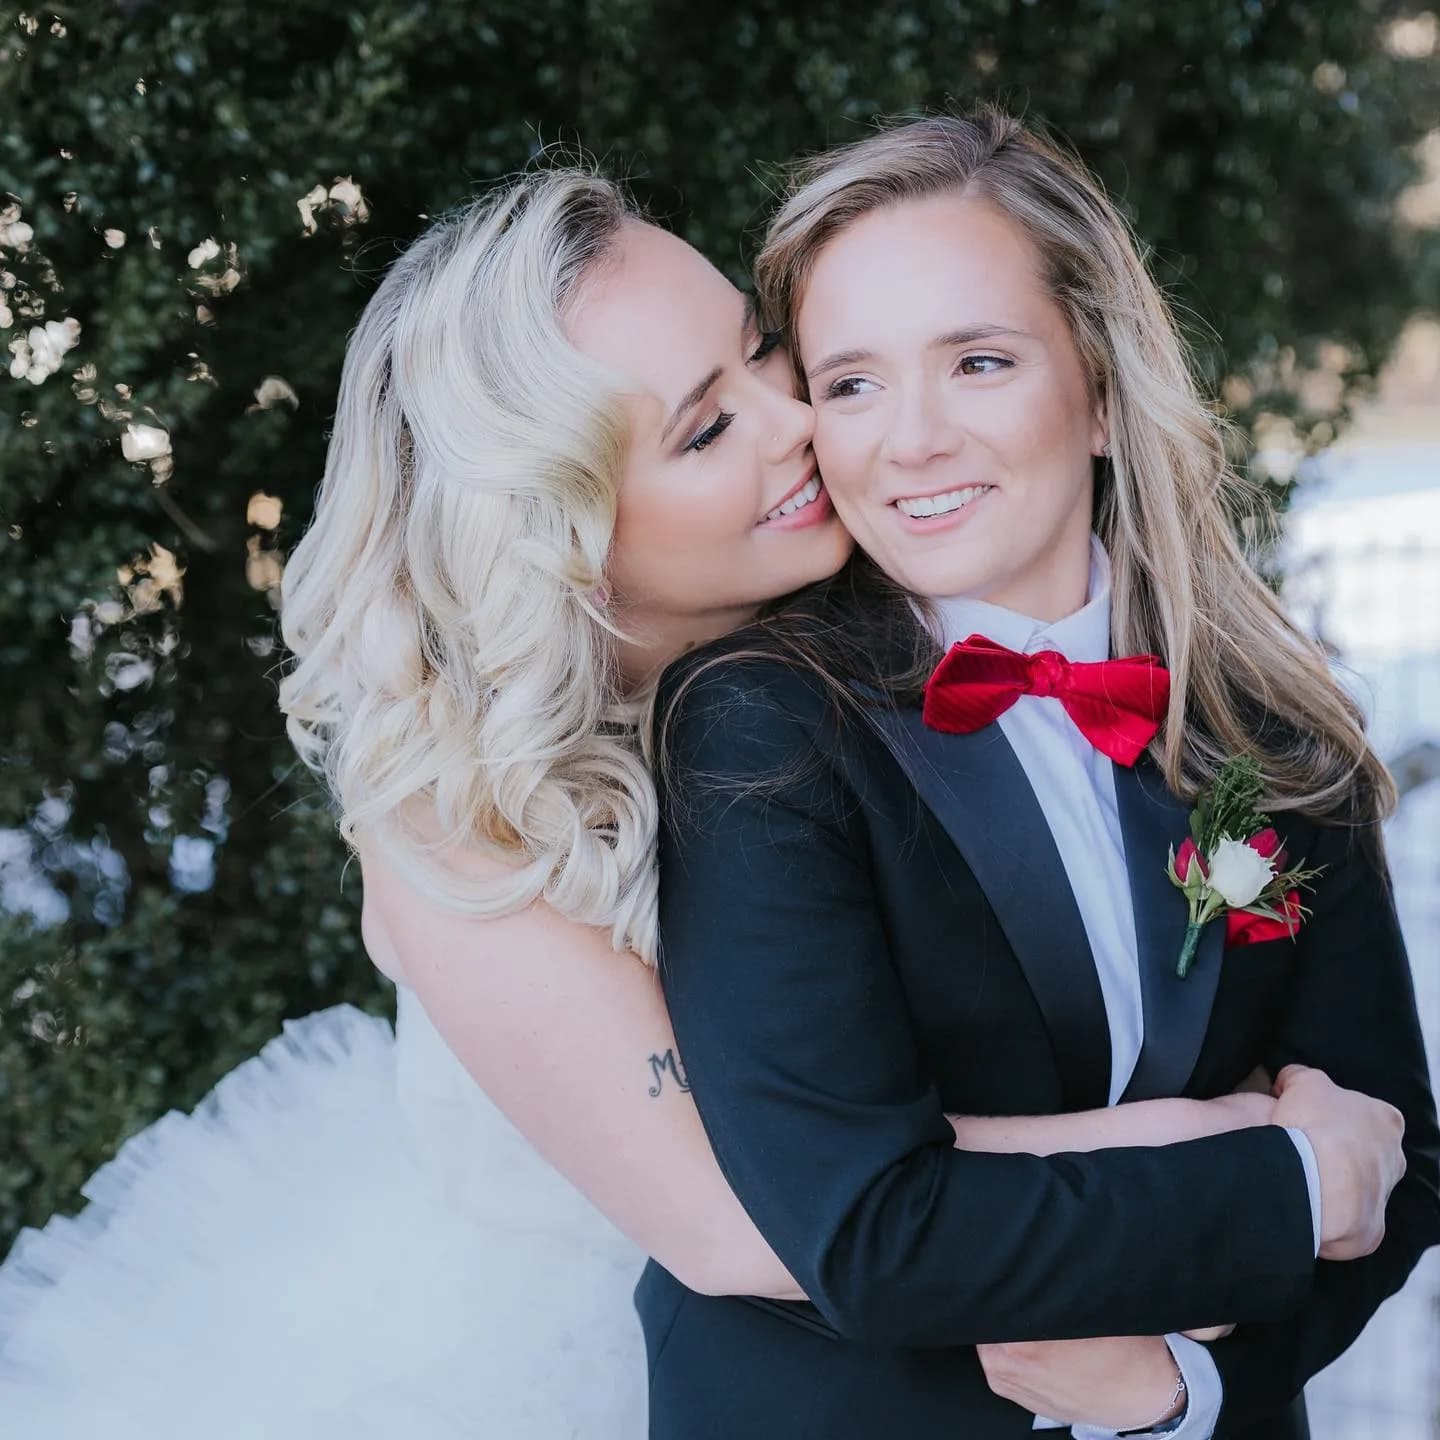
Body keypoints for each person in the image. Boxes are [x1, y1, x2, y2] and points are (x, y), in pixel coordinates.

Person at [0, 158, 1416, 1440]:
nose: (801, 421)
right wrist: (1263, 1150)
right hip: (616, 1361)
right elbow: (775, 1215)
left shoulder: (926, 643)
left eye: (761, 355)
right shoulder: (467, 823)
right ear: (566, 535)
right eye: (702, 431)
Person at [642, 108, 1439, 1440]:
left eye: (979, 361)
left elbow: (1404, 1162)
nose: (911, 439)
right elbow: (869, 1227)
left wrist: (1190, 1387)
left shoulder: (1269, 726)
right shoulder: (760, 727)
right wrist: (1292, 1180)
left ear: (1107, 392)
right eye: (851, 382)